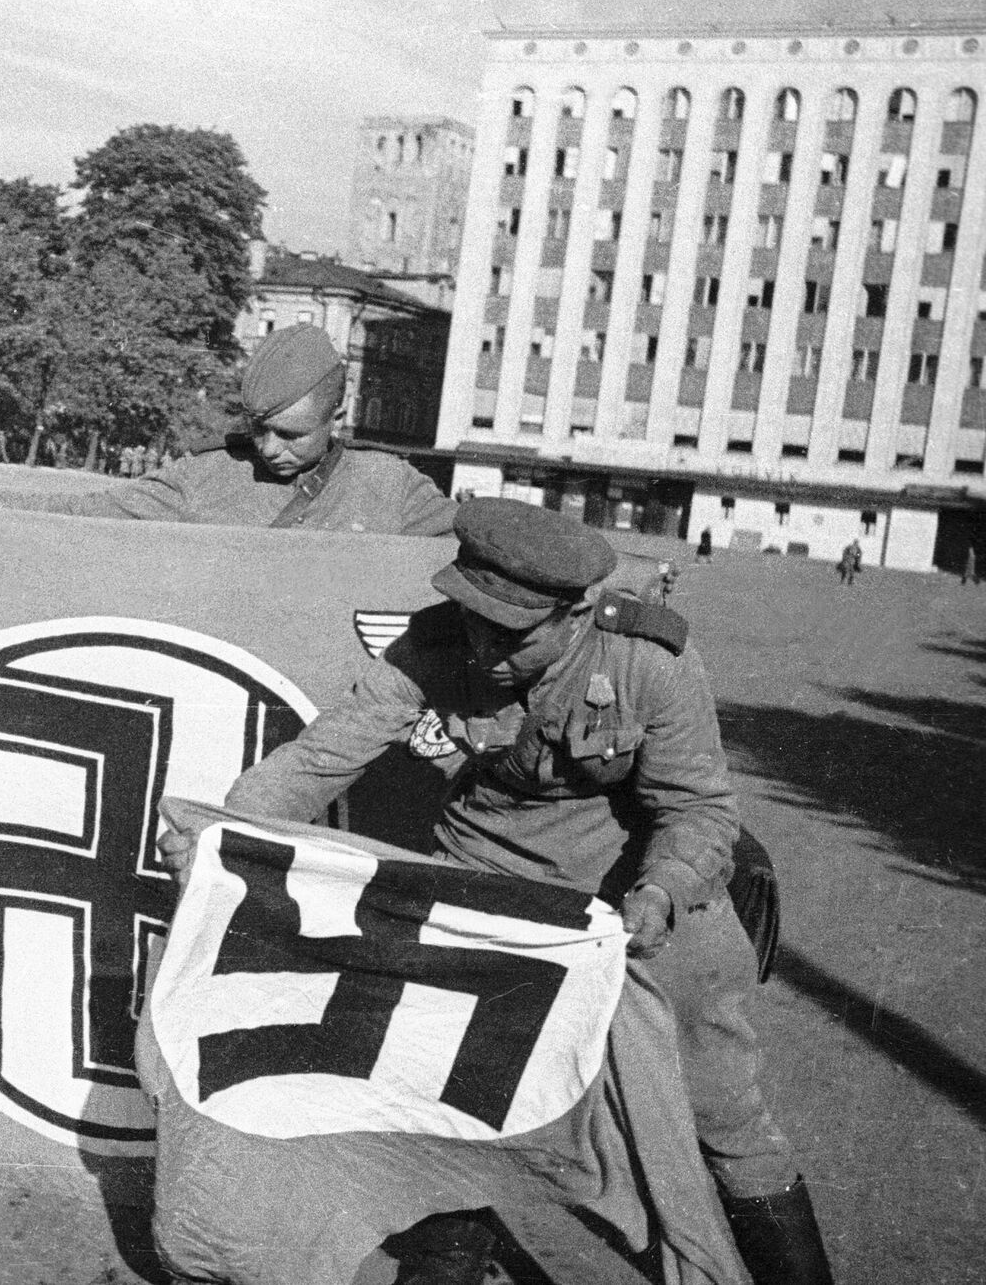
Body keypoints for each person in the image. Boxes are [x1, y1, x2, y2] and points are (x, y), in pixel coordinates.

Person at [162, 498, 832, 1285]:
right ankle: (447, 1259)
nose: (481, 650)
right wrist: (228, 837)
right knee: (434, 1087)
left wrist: (660, 894)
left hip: (633, 890)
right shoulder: (435, 644)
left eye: (510, 633)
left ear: (578, 612)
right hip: (488, 882)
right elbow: (321, 759)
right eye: (471, 617)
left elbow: (696, 809)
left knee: (718, 1105)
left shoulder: (649, 661)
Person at [0, 323, 454, 534]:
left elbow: (486, 545)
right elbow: (90, 509)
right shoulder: (204, 475)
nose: (269, 450)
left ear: (340, 409)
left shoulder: (391, 487)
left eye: (291, 435)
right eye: (259, 430)